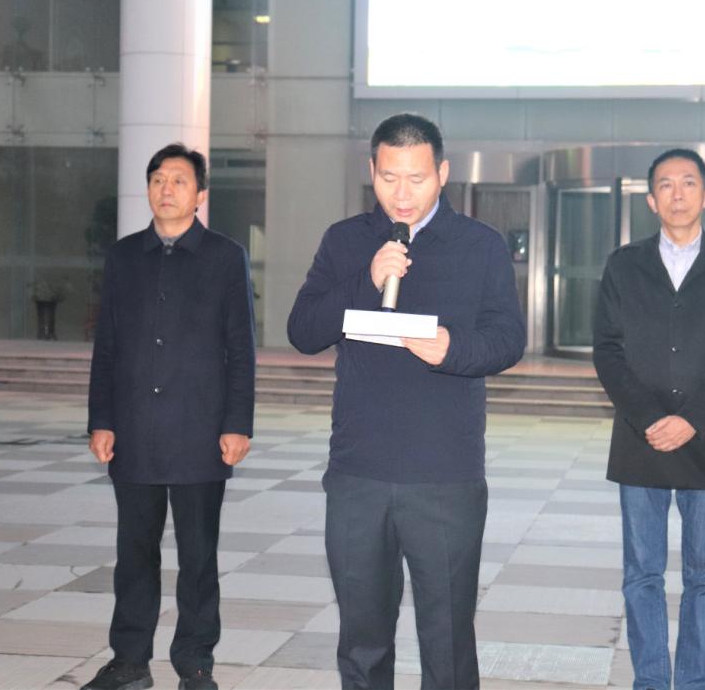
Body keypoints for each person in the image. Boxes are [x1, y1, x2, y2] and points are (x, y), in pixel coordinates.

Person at [288, 113, 525, 690]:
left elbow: (508, 340)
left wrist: (452, 348)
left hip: (445, 476)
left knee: (447, 640)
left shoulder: (480, 245)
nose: (401, 194)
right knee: (362, 640)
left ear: (442, 173)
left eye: (416, 179)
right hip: (358, 474)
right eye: (389, 177)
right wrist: (365, 280)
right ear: (371, 170)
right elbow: (303, 330)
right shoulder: (346, 241)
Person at [82, 143, 256, 690]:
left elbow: (241, 348)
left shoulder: (225, 257)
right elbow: (107, 346)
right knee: (133, 555)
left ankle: (195, 662)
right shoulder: (124, 257)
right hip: (133, 430)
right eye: (158, 178)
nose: (167, 188)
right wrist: (101, 418)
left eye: (179, 180)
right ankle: (129, 661)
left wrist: (237, 423)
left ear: (200, 194)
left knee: (198, 559)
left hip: (200, 432)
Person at [593, 148, 705, 690]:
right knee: (641, 574)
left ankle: (691, 683)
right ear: (651, 200)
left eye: (689, 182)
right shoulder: (624, 265)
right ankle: (649, 681)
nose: (678, 193)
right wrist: (648, 418)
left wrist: (691, 420)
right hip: (639, 437)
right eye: (666, 184)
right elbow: (608, 351)